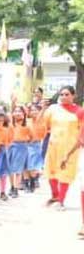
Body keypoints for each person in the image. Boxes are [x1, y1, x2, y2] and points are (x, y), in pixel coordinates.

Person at [43, 86, 83, 215]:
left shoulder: (79, 111)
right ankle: (55, 195)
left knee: (65, 173)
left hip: (70, 148)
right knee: (51, 172)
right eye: (62, 94)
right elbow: (46, 125)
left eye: (67, 94)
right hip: (53, 145)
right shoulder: (53, 109)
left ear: (73, 96)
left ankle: (61, 200)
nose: (64, 97)